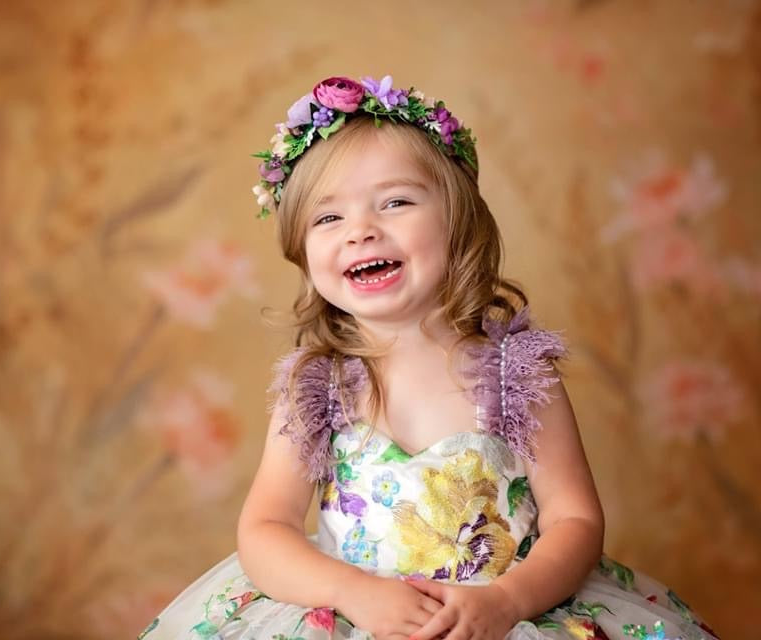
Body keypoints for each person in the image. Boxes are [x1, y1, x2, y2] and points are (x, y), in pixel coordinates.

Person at [139, 75, 719, 640]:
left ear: (457, 222)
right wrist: (351, 592)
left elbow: (576, 520)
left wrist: (507, 601)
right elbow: (266, 529)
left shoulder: (515, 373)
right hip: (360, 617)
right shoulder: (317, 387)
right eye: (328, 217)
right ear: (301, 248)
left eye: (394, 202)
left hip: (498, 616)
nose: (361, 231)